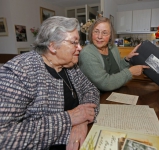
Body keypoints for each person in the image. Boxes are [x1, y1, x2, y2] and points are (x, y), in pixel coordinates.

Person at [0, 16, 100, 150]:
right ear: (52, 46)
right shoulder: (20, 71)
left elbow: (91, 90)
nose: (80, 48)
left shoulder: (70, 66)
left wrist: (81, 122)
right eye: (74, 42)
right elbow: (4, 137)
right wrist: (70, 118)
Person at [79, 17, 149, 91]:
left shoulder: (113, 48)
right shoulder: (87, 54)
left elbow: (117, 70)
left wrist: (127, 59)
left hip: (114, 93)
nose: (99, 36)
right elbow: (105, 83)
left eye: (104, 33)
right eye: (96, 31)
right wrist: (130, 72)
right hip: (96, 99)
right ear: (91, 33)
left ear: (110, 36)